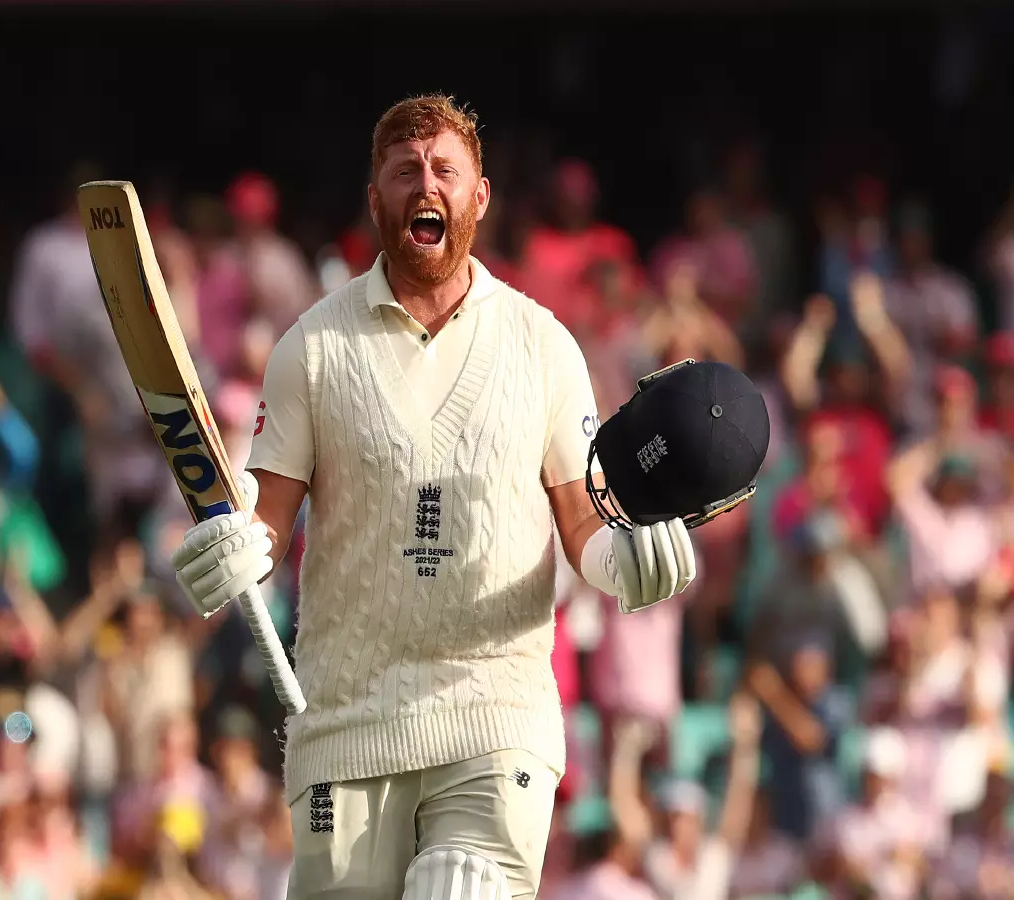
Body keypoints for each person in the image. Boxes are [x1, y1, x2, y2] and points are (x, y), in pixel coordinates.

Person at [169, 95, 767, 900]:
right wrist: (235, 548)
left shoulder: (543, 345)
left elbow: (584, 525)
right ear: (375, 197)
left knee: (460, 886)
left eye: (445, 170)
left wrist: (627, 566)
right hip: (345, 722)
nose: (427, 185)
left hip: (494, 713)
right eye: (405, 171)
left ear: (479, 198)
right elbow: (267, 523)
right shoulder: (310, 347)